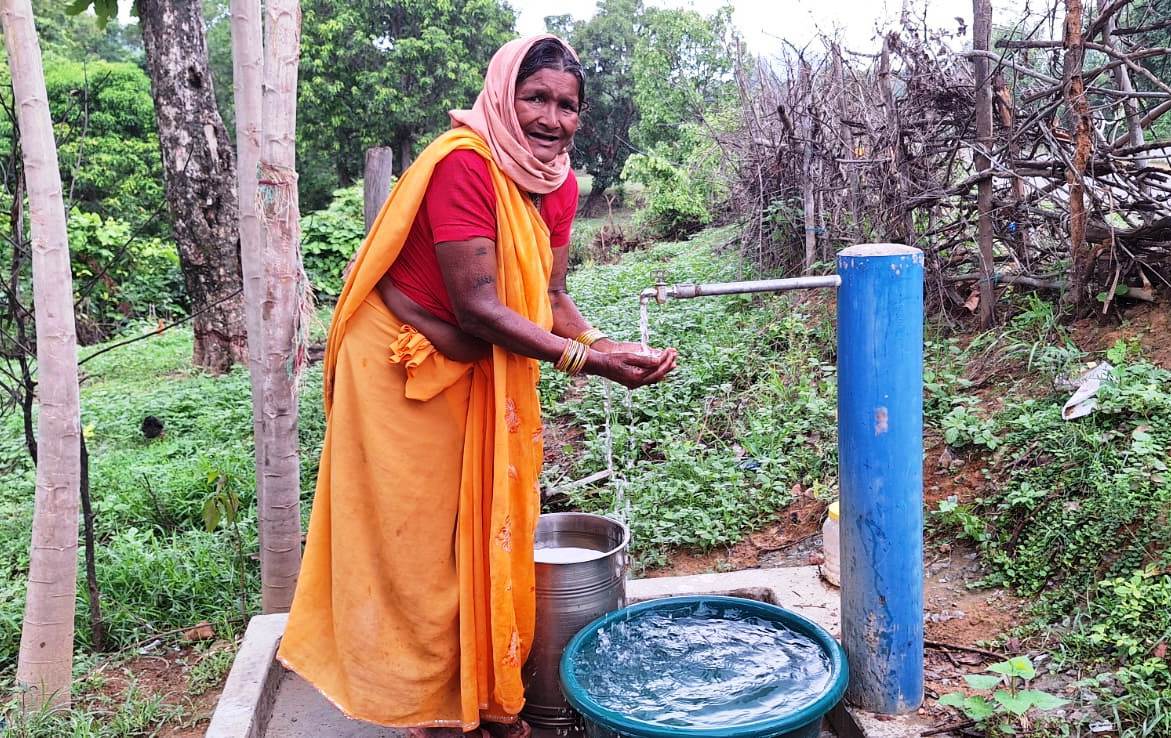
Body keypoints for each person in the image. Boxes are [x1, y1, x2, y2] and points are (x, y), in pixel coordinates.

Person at [277, 35, 676, 738]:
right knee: (418, 543)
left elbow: (549, 297)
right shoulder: (463, 166)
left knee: (484, 528)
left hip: (476, 358)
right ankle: (429, 709)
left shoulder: (558, 184)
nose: (551, 119)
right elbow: (478, 309)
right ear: (501, 95)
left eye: (567, 105)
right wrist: (585, 365)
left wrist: (602, 344)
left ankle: (486, 695)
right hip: (402, 367)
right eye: (536, 99)